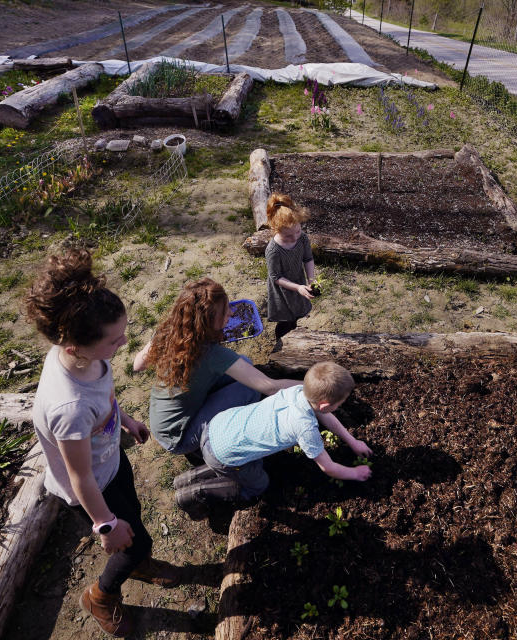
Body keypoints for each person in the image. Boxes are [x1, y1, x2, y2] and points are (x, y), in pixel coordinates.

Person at [25, 247, 179, 638]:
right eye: (114, 340)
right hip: (93, 489)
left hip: (110, 464)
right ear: (74, 346)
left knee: (136, 521)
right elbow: (79, 478)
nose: (124, 343)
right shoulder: (68, 406)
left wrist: (124, 420)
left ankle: (136, 558)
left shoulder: (89, 359)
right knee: (130, 538)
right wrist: (105, 524)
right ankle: (101, 596)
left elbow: (105, 395)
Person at [174, 361, 373, 519]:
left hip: (217, 427)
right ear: (325, 404)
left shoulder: (297, 391)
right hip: (223, 454)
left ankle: (186, 478)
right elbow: (328, 467)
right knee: (258, 484)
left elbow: (325, 415)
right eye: (341, 402)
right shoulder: (304, 427)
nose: (341, 405)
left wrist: (353, 442)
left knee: (231, 460)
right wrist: (355, 473)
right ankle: (194, 493)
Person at [133, 278, 299, 463]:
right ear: (207, 322)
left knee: (244, 362)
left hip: (163, 421)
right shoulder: (212, 354)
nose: (231, 312)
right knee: (250, 389)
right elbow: (270, 387)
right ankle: (209, 445)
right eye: (225, 311)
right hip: (179, 437)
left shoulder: (171, 331)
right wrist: (312, 385)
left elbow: (137, 365)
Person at [265, 193, 316, 352]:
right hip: (282, 289)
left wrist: (311, 279)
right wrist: (298, 288)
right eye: (288, 236)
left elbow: (308, 259)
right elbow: (276, 277)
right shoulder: (273, 250)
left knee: (295, 316)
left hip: (298, 282)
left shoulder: (302, 239)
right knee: (285, 320)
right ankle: (280, 345)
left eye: (298, 231)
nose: (294, 238)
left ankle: (292, 339)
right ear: (275, 229)